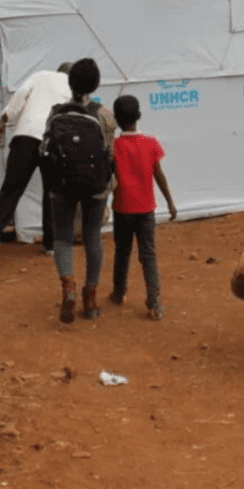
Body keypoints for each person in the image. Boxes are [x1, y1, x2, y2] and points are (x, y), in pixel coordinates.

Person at [0, 62, 73, 253]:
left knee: (12, 187)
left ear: (58, 70)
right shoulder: (72, 88)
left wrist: (5, 117)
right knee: (52, 193)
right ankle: (51, 245)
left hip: (26, 136)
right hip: (53, 141)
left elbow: (21, 94)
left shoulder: (40, 75)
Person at [48, 58, 115, 323]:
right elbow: (109, 154)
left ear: (70, 82)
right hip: (96, 186)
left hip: (62, 185)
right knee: (92, 237)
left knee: (62, 237)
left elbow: (48, 148)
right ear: (95, 84)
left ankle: (69, 287)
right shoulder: (104, 115)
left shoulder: (55, 113)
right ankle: (91, 299)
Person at [108, 95, 177, 320]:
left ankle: (119, 293)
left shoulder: (113, 146)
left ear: (116, 119)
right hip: (146, 209)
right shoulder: (151, 142)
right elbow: (159, 175)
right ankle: (154, 301)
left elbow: (108, 177)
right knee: (148, 255)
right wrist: (170, 201)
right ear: (138, 116)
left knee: (122, 252)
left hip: (122, 208)